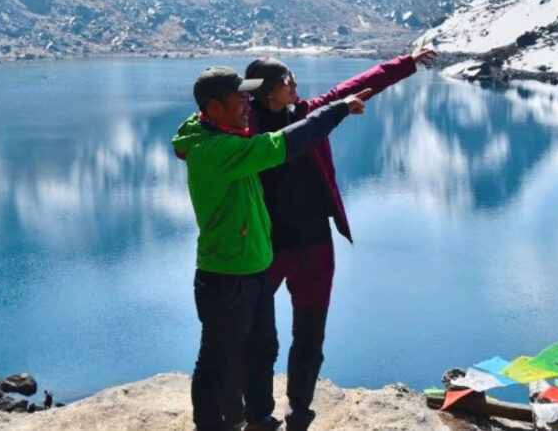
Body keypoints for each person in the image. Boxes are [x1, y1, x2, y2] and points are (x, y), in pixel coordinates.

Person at [243, 45, 436, 431]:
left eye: (292, 76)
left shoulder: (309, 113)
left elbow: (357, 86)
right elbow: (205, 130)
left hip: (315, 245)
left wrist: (408, 62)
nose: (294, 82)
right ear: (267, 94)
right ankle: (259, 416)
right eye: (285, 79)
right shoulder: (246, 131)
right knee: (259, 337)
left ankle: (300, 413)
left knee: (310, 334)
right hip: (265, 249)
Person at [172, 65, 371, 431]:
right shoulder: (220, 149)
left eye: (248, 96)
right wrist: (339, 110)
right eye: (239, 99)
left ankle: (253, 418)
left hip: (250, 268)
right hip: (227, 276)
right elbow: (285, 143)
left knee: (256, 348)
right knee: (220, 360)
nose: (248, 104)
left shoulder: (217, 130)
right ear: (214, 108)